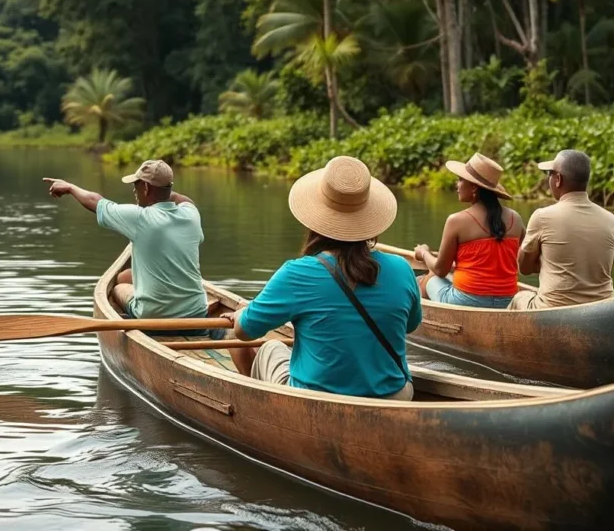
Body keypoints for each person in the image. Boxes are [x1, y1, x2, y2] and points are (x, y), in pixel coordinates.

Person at [222, 156, 421, 401]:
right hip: (396, 397)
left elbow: (245, 331)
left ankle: (261, 415)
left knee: (264, 346)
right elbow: (411, 325)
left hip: (319, 402)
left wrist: (242, 312)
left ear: (315, 220)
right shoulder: (402, 268)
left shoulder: (297, 273)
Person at [43, 159, 208, 325]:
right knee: (125, 276)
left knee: (117, 287)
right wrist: (164, 190)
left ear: (145, 187)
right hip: (197, 316)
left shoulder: (139, 218)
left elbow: (95, 201)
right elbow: (183, 200)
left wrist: (70, 187)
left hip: (153, 319)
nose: (134, 190)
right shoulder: (191, 215)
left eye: (136, 185)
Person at [509, 149, 614, 310]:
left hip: (553, 310)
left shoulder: (542, 217)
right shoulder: (611, 219)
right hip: (603, 308)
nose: (549, 179)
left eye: (550, 174)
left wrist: (543, 261)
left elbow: (524, 268)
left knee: (520, 297)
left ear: (558, 179)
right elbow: (608, 266)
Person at [414, 153, 525, 309]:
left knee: (427, 279)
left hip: (465, 301)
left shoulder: (456, 221)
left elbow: (440, 270)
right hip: (508, 301)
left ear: (474, 187)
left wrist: (423, 253)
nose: (457, 185)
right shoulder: (517, 219)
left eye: (460, 180)